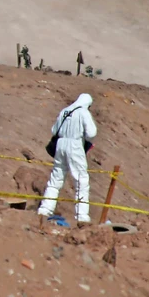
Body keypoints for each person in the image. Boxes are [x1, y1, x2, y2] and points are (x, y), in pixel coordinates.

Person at [37, 93, 97, 223]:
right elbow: (92, 133)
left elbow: (54, 130)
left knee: (56, 178)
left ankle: (45, 209)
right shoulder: (83, 112)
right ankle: (81, 216)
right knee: (81, 180)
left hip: (61, 144)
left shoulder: (65, 111)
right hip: (75, 145)